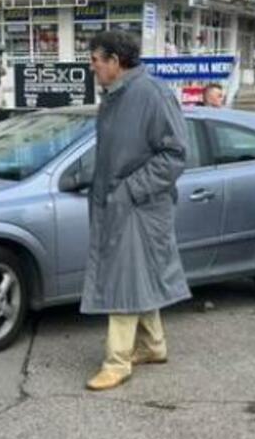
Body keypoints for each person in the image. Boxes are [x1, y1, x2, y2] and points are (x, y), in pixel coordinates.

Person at [81, 30, 190, 392]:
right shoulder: (117, 95)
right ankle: (154, 346)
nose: (92, 66)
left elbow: (175, 155)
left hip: (140, 207)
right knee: (137, 275)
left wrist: (128, 190)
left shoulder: (151, 94)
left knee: (124, 281)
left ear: (115, 61)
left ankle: (117, 361)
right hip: (125, 205)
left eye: (96, 59)